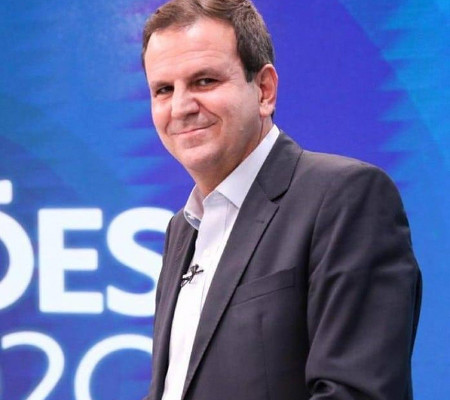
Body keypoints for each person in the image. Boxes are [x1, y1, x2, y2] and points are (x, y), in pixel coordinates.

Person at [140, 0, 422, 399]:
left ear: (265, 90)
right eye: (164, 90)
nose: (181, 107)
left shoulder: (345, 198)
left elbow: (356, 393)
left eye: (204, 81)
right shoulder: (181, 230)